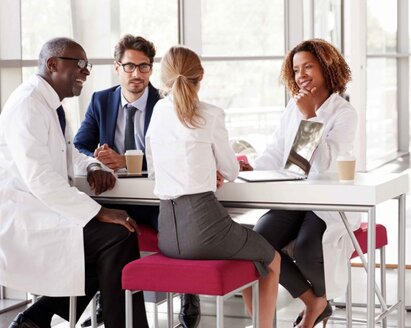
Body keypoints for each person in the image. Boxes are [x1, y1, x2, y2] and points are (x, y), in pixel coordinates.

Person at [0, 37, 148, 328]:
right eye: (79, 64)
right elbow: (39, 178)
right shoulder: (28, 104)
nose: (86, 71)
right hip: (24, 216)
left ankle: (34, 320)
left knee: (116, 240)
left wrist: (92, 164)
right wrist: (98, 211)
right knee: (118, 236)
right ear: (52, 64)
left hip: (47, 209)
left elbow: (71, 153)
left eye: (87, 65)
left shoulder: (53, 105)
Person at [145, 46, 282, 328]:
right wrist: (212, 172)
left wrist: (202, 171)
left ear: (163, 79)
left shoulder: (158, 111)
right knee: (271, 258)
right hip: (204, 228)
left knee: (251, 254)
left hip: (169, 236)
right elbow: (231, 171)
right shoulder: (211, 114)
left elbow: (154, 172)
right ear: (201, 76)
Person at [73, 34, 200, 327]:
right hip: (115, 197)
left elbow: (179, 150)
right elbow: (79, 144)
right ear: (117, 67)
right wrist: (96, 159)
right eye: (130, 67)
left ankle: (188, 293)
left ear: (151, 70)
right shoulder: (101, 100)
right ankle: (108, 295)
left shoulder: (167, 103)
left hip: (157, 200)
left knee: (179, 230)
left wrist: (131, 159)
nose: (137, 74)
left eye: (144, 67)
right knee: (91, 230)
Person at [242, 39, 361, 328]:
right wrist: (249, 167)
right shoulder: (292, 108)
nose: (301, 75)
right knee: (259, 244)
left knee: (309, 250)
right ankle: (315, 301)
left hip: (326, 201)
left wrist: (310, 116)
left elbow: (324, 164)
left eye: (308, 66)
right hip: (292, 195)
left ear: (326, 67)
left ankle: (320, 298)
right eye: (296, 69)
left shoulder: (344, 113)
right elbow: (275, 151)